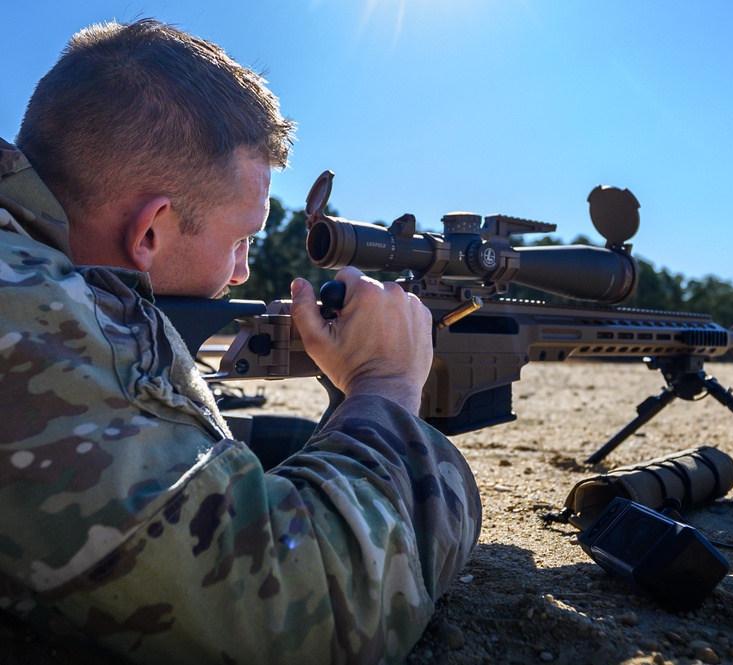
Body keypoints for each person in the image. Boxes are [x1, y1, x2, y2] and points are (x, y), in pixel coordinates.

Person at [0, 18, 481, 665]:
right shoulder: (25, 303)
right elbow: (300, 617)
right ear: (149, 233)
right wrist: (385, 384)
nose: (241, 272)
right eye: (240, 241)